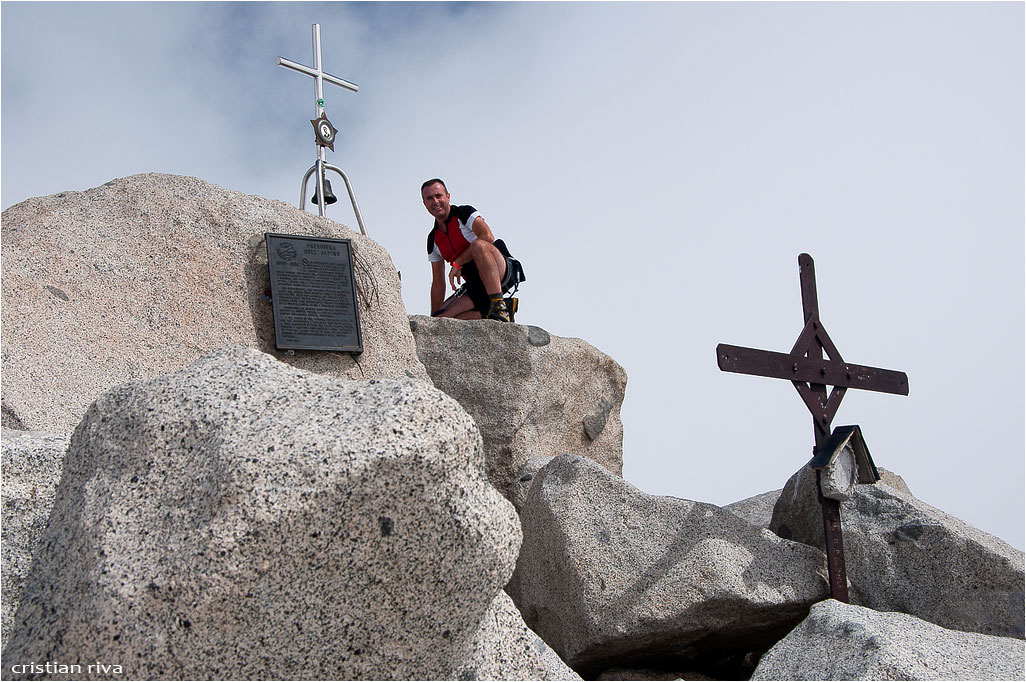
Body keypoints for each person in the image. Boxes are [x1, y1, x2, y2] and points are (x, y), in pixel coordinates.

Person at [421, 178, 512, 321]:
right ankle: (495, 312)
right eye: (429, 198)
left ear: (448, 197)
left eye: (438, 196)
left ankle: (500, 306)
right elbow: (438, 282)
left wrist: (458, 263)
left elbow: (487, 237)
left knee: (478, 244)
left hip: (499, 268)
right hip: (475, 283)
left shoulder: (463, 213)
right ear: (424, 204)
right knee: (443, 320)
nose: (435, 201)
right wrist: (433, 317)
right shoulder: (433, 240)